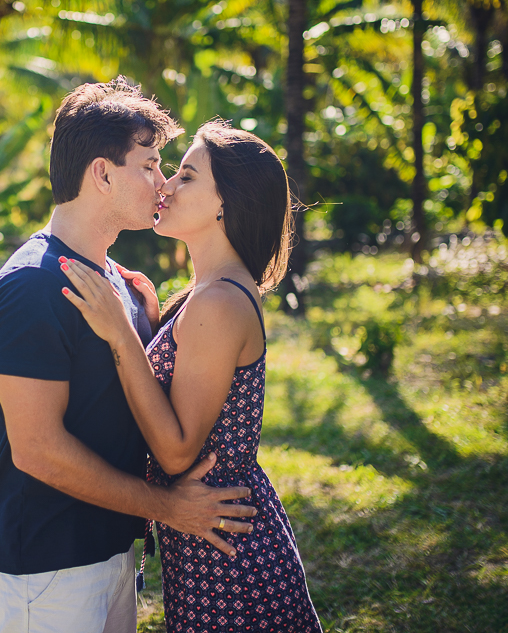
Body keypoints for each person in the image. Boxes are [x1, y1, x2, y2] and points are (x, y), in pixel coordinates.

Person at [0, 81, 258, 633]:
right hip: (47, 570)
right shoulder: (34, 286)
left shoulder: (115, 283)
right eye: (150, 165)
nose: (163, 182)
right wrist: (170, 510)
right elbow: (39, 452)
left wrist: (149, 321)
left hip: (111, 553)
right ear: (102, 174)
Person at [59, 120, 323, 632]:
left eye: (186, 176)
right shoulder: (212, 292)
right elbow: (187, 385)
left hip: (226, 556)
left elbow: (177, 450)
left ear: (226, 202)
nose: (166, 186)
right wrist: (155, 325)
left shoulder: (219, 302)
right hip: (213, 537)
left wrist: (122, 334)